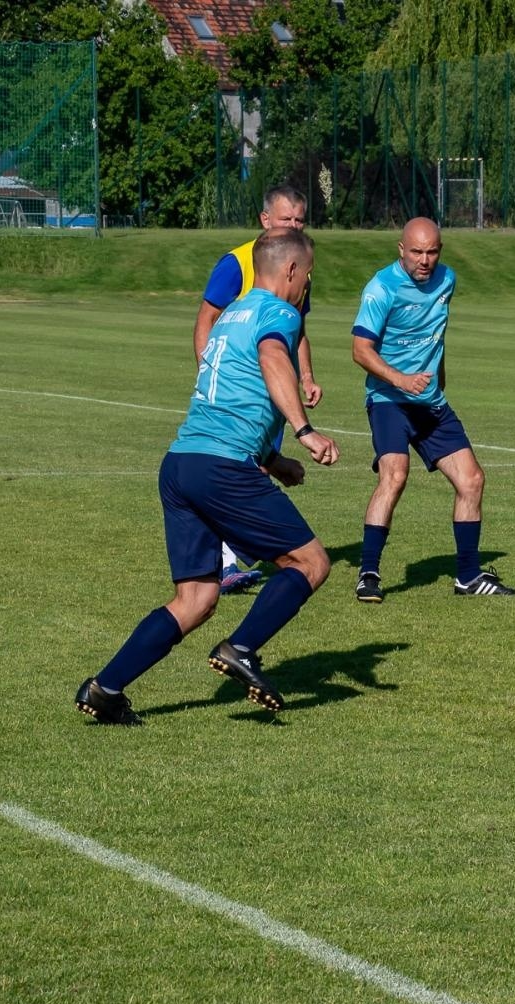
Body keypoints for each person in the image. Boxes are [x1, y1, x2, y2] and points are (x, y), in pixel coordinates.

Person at [76, 228, 339, 724]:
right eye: (308, 273)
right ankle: (242, 648)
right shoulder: (279, 313)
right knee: (310, 563)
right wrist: (304, 429)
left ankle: (104, 687)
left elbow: (232, 398)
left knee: (195, 599)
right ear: (290, 271)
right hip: (222, 468)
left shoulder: (229, 316)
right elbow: (272, 360)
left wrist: (276, 463)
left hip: (180, 464)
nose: (307, 283)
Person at [350, 217, 515, 603]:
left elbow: (437, 331)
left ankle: (468, 576)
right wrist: (399, 379)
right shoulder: (381, 289)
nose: (425, 260)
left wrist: (438, 376)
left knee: (472, 480)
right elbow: (360, 350)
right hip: (389, 400)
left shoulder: (448, 280)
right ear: (401, 249)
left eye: (432, 251)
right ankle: (368, 574)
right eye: (416, 252)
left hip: (430, 402)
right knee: (394, 475)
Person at [194, 185, 322, 595]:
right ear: (265, 219)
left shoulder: (299, 264)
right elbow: (206, 321)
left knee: (259, 464)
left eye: (300, 220)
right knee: (241, 465)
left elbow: (294, 329)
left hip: (272, 389)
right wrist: (212, 374)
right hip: (240, 388)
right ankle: (227, 561)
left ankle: (225, 558)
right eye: (287, 220)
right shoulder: (236, 264)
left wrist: (305, 376)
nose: (294, 226)